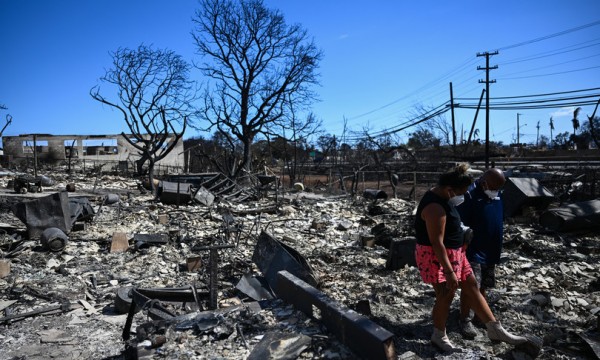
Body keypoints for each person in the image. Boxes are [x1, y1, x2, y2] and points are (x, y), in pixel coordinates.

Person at [414, 163, 526, 352]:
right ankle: (439, 335)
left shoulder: (444, 197)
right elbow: (437, 243)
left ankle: (494, 328)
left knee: (472, 286)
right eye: (462, 192)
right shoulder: (434, 207)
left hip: (456, 253)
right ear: (450, 189)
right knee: (445, 294)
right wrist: (449, 271)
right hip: (438, 257)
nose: (464, 196)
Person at [456, 167, 506, 339]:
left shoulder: (497, 194)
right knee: (471, 287)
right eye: (493, 188)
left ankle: (479, 316)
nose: (495, 191)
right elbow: (461, 224)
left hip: (491, 249)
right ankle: (465, 319)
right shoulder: (469, 195)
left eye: (498, 188)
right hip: (474, 250)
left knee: (484, 284)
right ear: (484, 183)